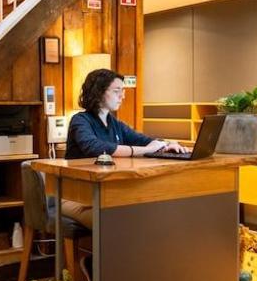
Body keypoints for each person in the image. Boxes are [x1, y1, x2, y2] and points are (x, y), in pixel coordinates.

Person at [61, 68, 185, 226]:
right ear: (99, 92)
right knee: (119, 221)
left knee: (146, 212)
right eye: (116, 91)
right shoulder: (80, 120)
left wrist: (167, 144)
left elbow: (142, 139)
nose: (122, 96)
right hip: (76, 196)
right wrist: (145, 150)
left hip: (104, 194)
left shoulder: (113, 122)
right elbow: (95, 147)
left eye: (123, 91)